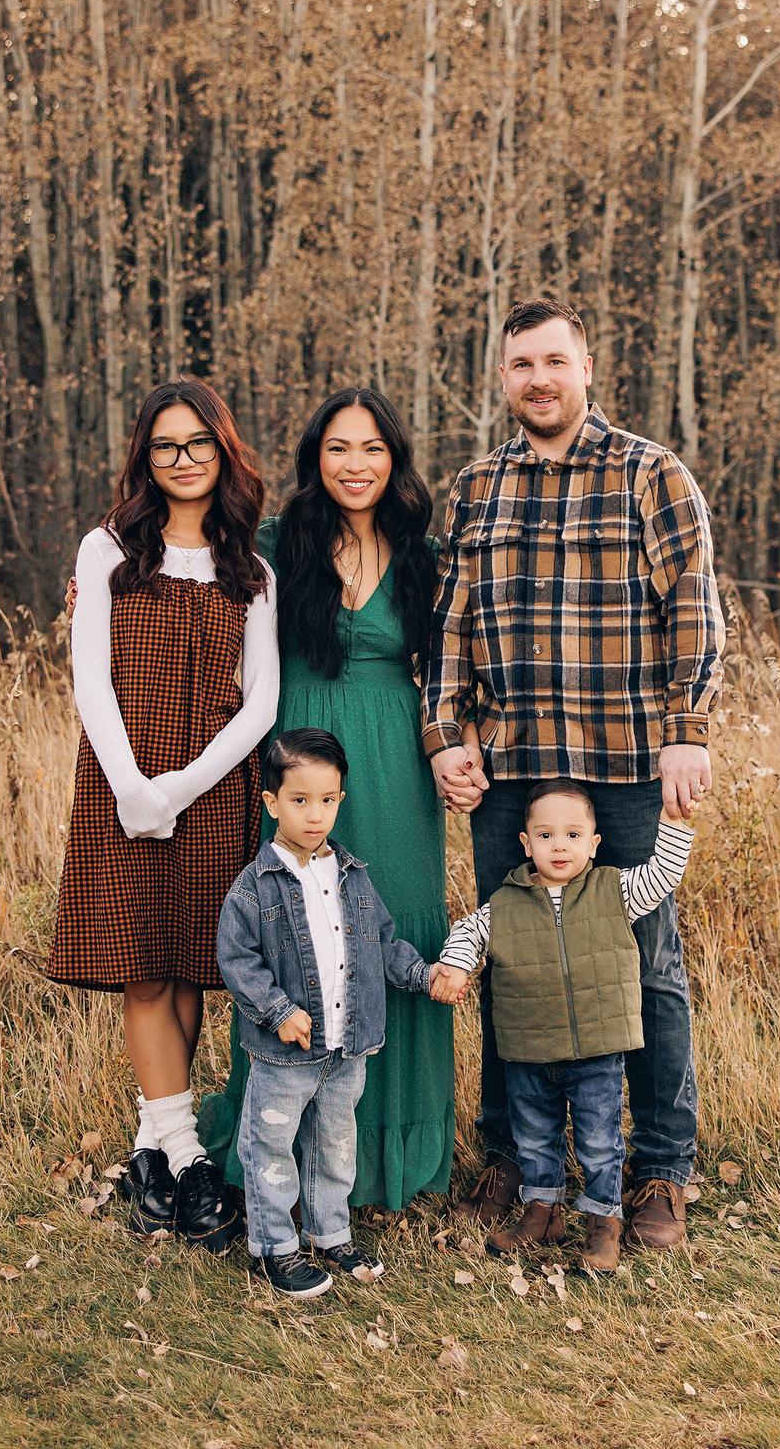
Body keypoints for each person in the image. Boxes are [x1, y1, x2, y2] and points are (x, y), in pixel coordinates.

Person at [423, 297, 725, 1251]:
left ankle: (659, 1169)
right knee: (509, 964)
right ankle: (518, 1161)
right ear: (502, 377)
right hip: (510, 771)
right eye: (522, 364)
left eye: (555, 361)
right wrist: (444, 736)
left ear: (585, 368)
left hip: (626, 762)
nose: (539, 379)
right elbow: (448, 627)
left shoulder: (649, 473)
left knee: (647, 966)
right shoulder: (476, 488)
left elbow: (693, 607)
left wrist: (687, 730)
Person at [200, 389, 462, 1210]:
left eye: (372, 448)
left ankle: (390, 1154)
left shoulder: (423, 554)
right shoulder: (276, 545)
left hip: (394, 763)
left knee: (396, 924)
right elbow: (182, 579)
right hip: (296, 755)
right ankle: (276, 1155)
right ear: (315, 457)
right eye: (339, 448)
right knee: (290, 931)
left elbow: (471, 650)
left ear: (395, 459)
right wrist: (94, 592)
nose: (356, 465)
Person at [45, 379, 278, 1255]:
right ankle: (186, 1158)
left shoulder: (250, 568)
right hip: (120, 783)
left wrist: (177, 789)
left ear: (223, 450)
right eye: (165, 446)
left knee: (187, 967)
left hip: (212, 786)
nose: (182, 460)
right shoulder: (107, 548)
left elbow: (260, 704)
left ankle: (155, 1155)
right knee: (142, 966)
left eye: (197, 444)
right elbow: (90, 678)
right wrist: (134, 788)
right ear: (145, 457)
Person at [216, 728, 461, 1297]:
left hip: (347, 1046)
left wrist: (424, 976)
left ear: (341, 800)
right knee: (271, 1146)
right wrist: (278, 1010)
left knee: (334, 1144)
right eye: (300, 800)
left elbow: (382, 944)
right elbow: (237, 959)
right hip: (286, 1052)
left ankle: (331, 1234)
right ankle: (274, 1248)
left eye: (327, 800)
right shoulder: (255, 888)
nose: (315, 814)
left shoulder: (350, 874)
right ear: (271, 802)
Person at [433, 782, 695, 1274]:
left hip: (596, 1051)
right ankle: (542, 1212)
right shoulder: (506, 903)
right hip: (530, 1050)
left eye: (573, 835)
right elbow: (470, 931)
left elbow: (663, 874)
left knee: (599, 1141)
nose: (559, 846)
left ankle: (603, 1224)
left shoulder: (615, 891)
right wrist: (455, 965)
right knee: (534, 1137)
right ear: (526, 842)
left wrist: (674, 824)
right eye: (546, 835)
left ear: (594, 844)